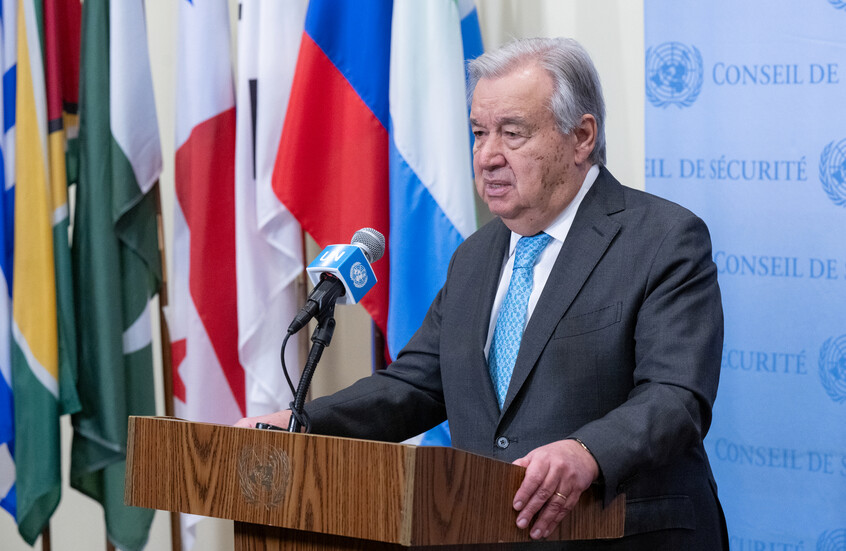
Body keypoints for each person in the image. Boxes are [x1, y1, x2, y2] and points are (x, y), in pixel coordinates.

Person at [237, 37, 728, 550]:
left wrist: (587, 451)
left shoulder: (662, 239)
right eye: (478, 132)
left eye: (512, 133)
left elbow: (676, 396)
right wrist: (300, 424)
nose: (488, 155)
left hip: (624, 534)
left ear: (582, 137)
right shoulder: (474, 256)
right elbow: (417, 385)